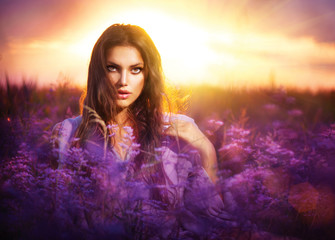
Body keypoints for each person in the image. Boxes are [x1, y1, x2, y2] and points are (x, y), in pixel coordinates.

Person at [51, 24, 224, 238]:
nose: (123, 81)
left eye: (135, 69)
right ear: (98, 72)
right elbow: (59, 220)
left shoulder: (178, 132)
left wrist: (206, 150)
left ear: (147, 74)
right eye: (112, 68)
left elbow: (212, 223)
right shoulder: (70, 132)